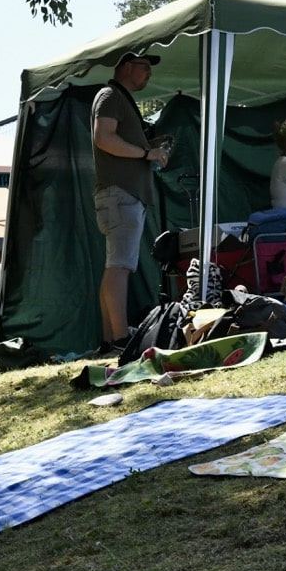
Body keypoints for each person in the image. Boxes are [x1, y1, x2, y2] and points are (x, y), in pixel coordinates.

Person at [90, 51, 172, 355]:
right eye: (144, 67)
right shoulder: (110, 95)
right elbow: (104, 138)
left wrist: (147, 146)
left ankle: (112, 339)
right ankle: (122, 339)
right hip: (120, 194)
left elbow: (113, 139)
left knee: (116, 266)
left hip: (121, 195)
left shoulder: (117, 98)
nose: (149, 74)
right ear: (126, 66)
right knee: (119, 267)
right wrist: (145, 153)